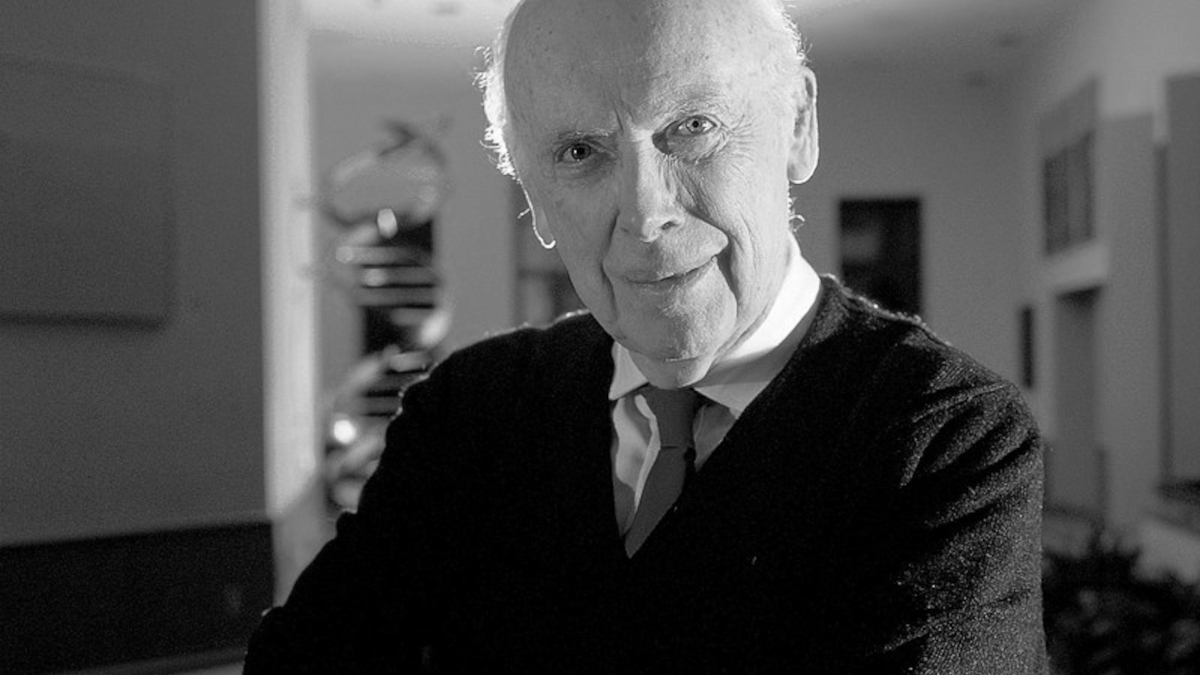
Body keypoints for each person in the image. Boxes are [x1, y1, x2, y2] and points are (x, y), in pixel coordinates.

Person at [244, 0, 1048, 672]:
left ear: (799, 126)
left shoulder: (947, 439)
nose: (644, 211)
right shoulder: (468, 413)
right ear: (535, 197)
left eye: (691, 126)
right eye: (579, 152)